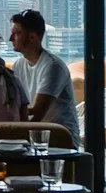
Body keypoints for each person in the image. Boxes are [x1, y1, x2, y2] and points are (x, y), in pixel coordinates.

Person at [6, 9, 79, 144]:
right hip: (38, 134)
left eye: (16, 33)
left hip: (61, 137)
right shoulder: (18, 65)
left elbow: (38, 112)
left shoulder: (53, 66)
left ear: (32, 37)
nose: (11, 38)